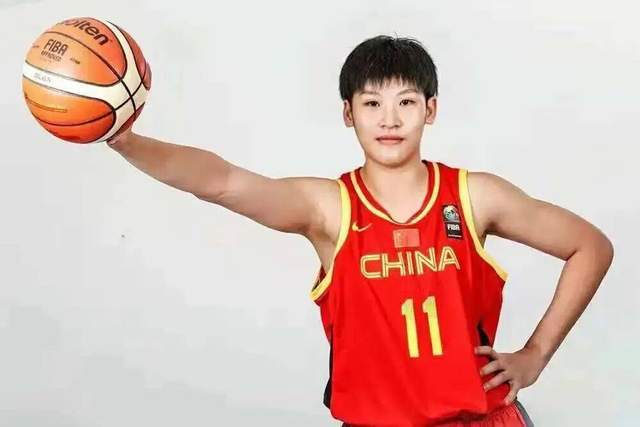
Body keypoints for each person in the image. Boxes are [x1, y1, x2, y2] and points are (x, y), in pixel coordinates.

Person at [107, 35, 614, 426]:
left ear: (430, 109)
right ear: (348, 113)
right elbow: (221, 182)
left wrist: (535, 355)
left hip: (482, 419)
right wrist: (128, 141)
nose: (389, 120)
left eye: (406, 103)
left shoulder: (475, 196)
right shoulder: (330, 208)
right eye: (372, 104)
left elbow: (589, 246)